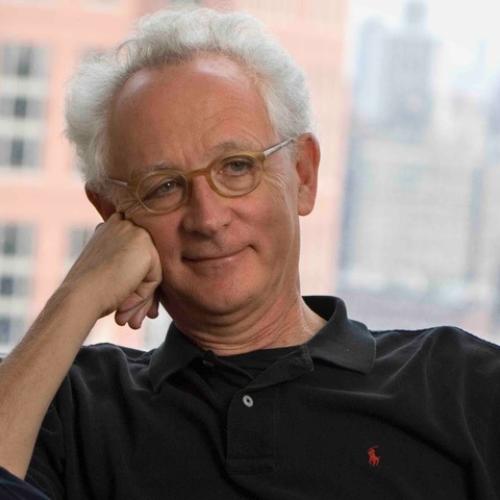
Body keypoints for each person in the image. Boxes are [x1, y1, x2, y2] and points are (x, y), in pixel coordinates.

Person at [0, 7, 500, 500]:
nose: (208, 218)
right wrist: (79, 293)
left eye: (237, 167)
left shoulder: (460, 386)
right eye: (164, 186)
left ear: (303, 174)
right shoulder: (66, 408)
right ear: (113, 214)